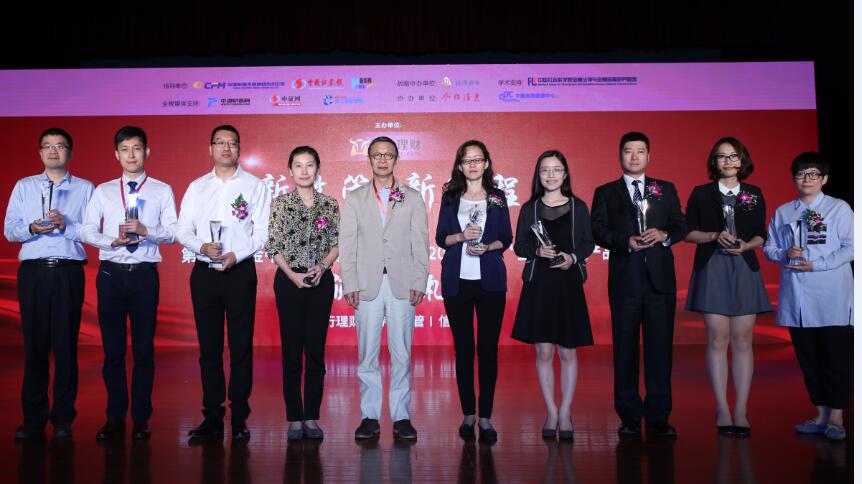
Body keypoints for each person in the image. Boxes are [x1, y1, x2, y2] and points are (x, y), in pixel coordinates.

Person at [80, 126, 178, 441]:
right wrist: (112, 240)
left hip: (144, 276)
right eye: (125, 149)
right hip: (111, 274)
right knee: (113, 351)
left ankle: (140, 418)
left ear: (146, 152)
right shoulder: (103, 191)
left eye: (137, 148)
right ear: (116, 154)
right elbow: (86, 230)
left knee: (144, 351)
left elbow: (173, 232)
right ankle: (114, 417)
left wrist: (147, 230)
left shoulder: (161, 190)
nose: (131, 155)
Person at [176, 125, 271, 441]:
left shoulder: (255, 186)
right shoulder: (197, 187)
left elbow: (262, 232)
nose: (226, 147)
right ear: (210, 148)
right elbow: (182, 229)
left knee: (241, 347)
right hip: (204, 273)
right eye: (220, 142)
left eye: (232, 143)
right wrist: (202, 247)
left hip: (239, 271)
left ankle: (240, 417)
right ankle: (212, 417)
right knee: (209, 349)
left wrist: (236, 254)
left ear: (239, 149)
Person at [590, 132, 686, 438]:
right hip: (625, 282)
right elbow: (598, 230)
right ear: (620, 156)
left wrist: (664, 235)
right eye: (628, 151)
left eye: (640, 151)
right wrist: (626, 241)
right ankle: (629, 416)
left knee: (660, 351)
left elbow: (680, 224)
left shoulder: (665, 189)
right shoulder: (606, 192)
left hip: (660, 282)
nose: (634, 157)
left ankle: (658, 417)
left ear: (649, 156)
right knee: (625, 351)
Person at [4, 128, 93, 440]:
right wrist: (31, 227)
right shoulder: (24, 186)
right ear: (40, 152)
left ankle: (63, 419)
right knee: (35, 346)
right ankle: (33, 419)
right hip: (34, 273)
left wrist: (66, 225)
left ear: (70, 152)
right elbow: (10, 230)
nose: (54, 151)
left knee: (66, 346)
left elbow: (92, 231)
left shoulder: (85, 188)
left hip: (68, 272)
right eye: (48, 146)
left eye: (60, 146)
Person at [339, 136, 429, 441]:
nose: (382, 160)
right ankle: (370, 416)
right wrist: (350, 282)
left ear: (396, 159)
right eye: (376, 154)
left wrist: (419, 280)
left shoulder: (412, 196)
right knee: (367, 353)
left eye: (388, 155)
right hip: (367, 284)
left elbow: (420, 242)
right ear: (369, 159)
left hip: (402, 282)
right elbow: (347, 244)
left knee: (402, 353)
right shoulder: (355, 197)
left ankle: (402, 416)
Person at [683, 137, 771, 438]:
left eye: (734, 156)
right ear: (714, 162)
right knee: (718, 339)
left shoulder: (753, 193)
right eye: (722, 157)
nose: (728, 161)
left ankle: (741, 409)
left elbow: (761, 234)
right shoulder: (701, 193)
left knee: (743, 340)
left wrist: (748, 245)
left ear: (742, 160)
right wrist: (712, 236)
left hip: (744, 267)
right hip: (713, 267)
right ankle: (722, 407)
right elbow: (687, 232)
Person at [763, 152, 853, 441]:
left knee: (835, 359)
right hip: (798, 297)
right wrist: (784, 253)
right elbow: (769, 248)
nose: (807, 179)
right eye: (801, 174)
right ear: (794, 178)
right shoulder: (783, 212)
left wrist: (817, 264)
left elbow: (852, 247)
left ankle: (836, 417)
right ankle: (820, 414)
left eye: (813, 174)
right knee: (809, 361)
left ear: (824, 179)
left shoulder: (838, 209)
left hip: (831, 296)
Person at [511, 150, 594, 440]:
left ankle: (566, 411)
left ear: (565, 174)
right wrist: (537, 251)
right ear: (539, 175)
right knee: (543, 351)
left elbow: (588, 244)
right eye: (545, 170)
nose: (551, 175)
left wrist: (572, 257)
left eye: (556, 169)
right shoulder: (530, 208)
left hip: (568, 283)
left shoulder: (578, 207)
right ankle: (551, 410)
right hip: (540, 284)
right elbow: (519, 246)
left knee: (567, 351)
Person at [435, 140, 512, 442]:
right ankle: (468, 413)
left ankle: (486, 417)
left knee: (488, 350)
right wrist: (462, 236)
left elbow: (506, 237)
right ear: (459, 165)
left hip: (490, 281)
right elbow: (441, 238)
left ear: (486, 163)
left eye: (478, 159)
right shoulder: (451, 197)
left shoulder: (497, 197)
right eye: (467, 160)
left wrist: (488, 247)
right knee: (464, 350)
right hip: (457, 282)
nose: (472, 165)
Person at [265, 146, 339, 441]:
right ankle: (295, 418)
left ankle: (311, 416)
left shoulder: (329, 204)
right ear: (290, 170)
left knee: (315, 351)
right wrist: (292, 275)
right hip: (289, 281)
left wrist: (323, 266)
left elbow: (336, 242)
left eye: (310, 165)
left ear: (317, 169)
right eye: (298, 165)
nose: (304, 170)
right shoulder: (281, 204)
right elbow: (274, 245)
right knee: (292, 351)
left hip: (321, 281)